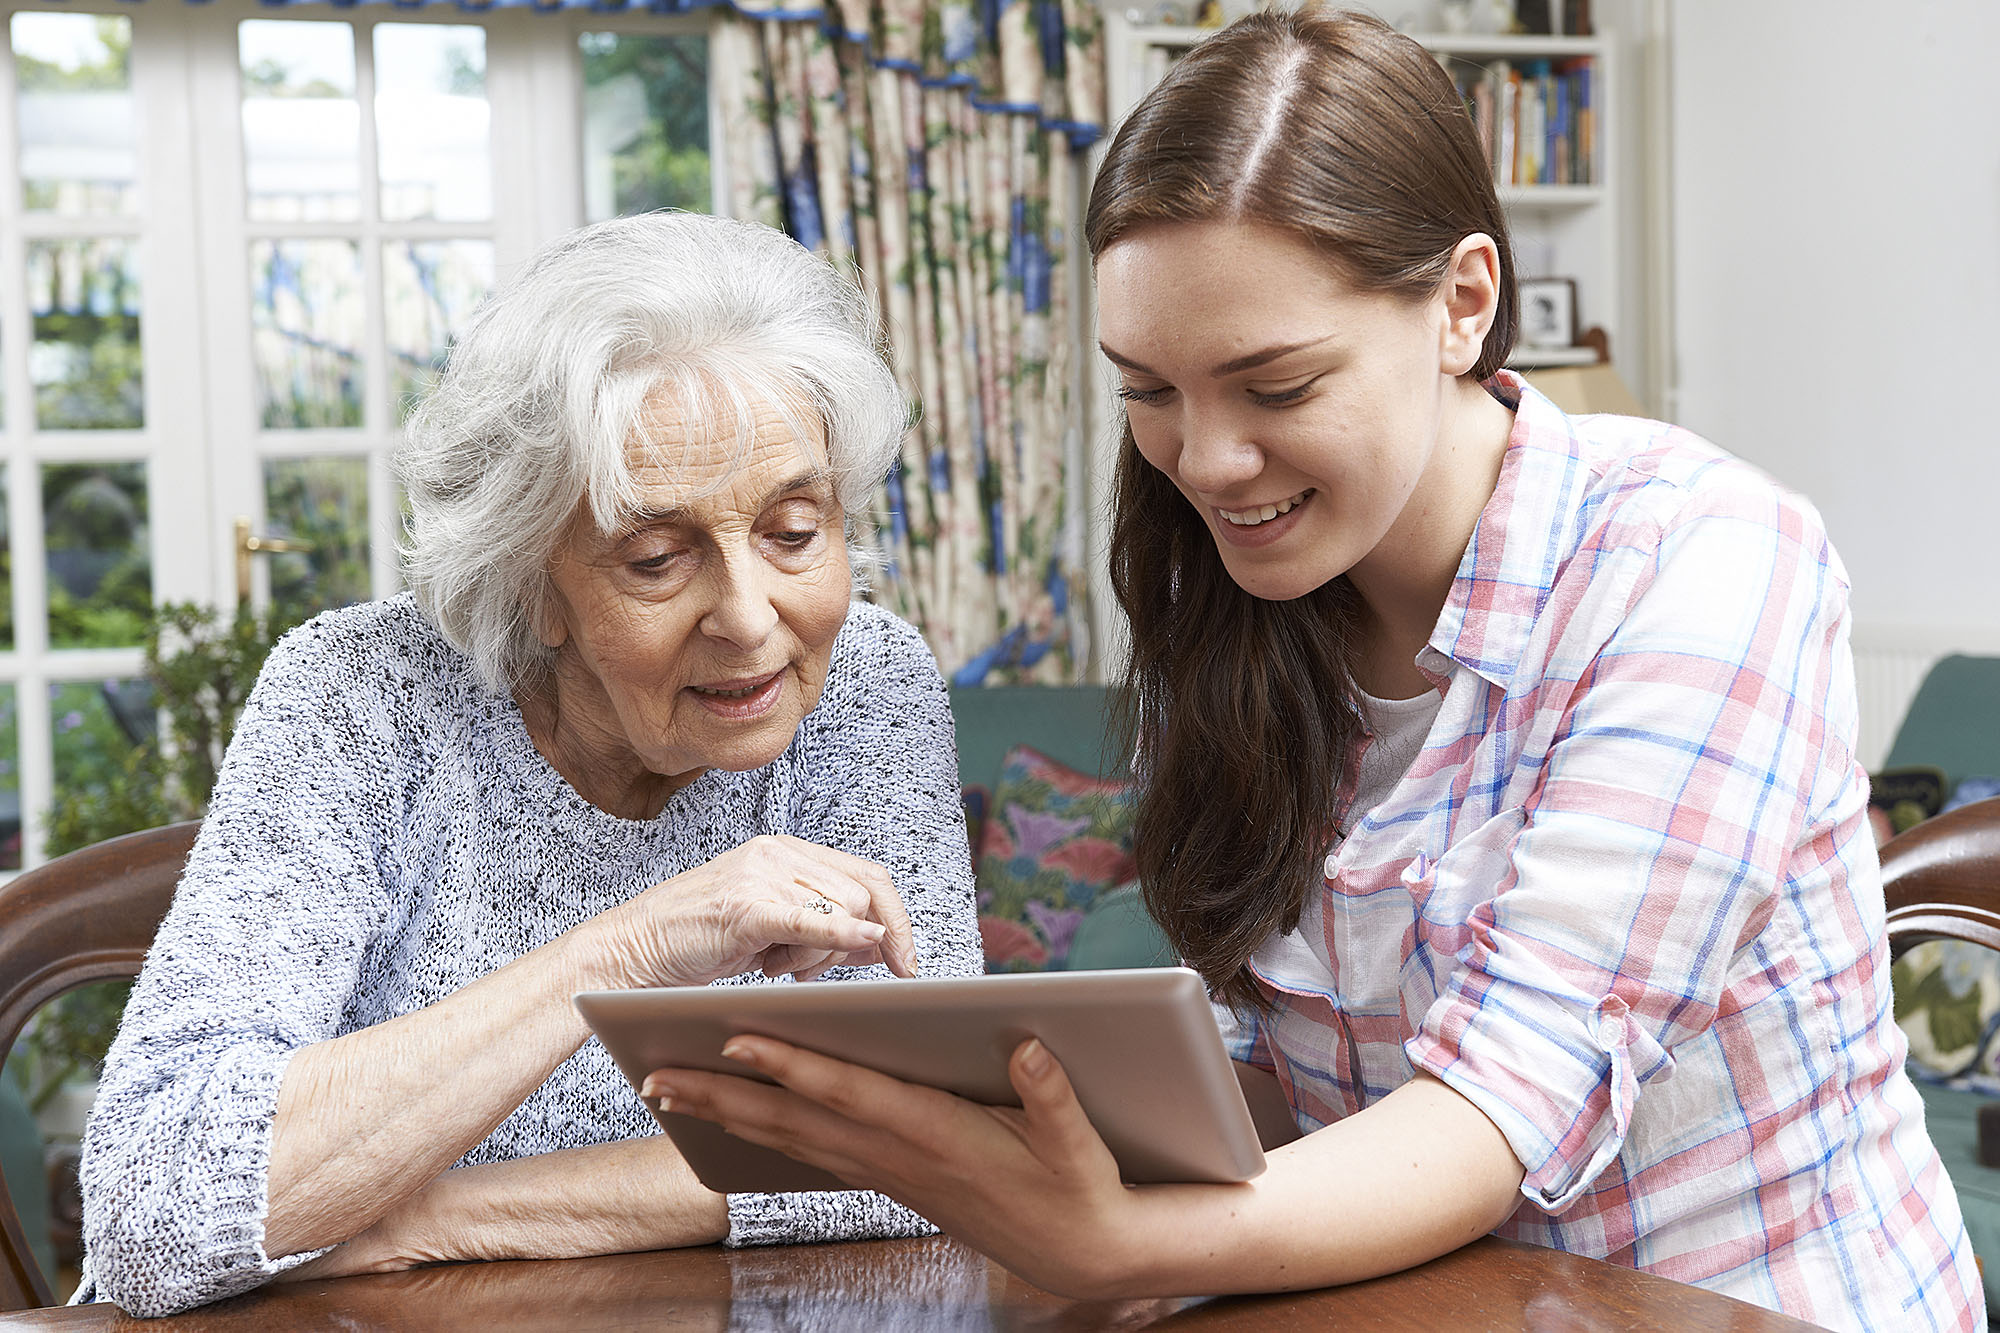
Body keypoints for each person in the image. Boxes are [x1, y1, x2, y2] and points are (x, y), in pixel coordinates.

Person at [643, 11, 1983, 1329]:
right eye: (1149, 390)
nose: (1207, 462)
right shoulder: (1234, 599)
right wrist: (1010, 1127)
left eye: (1276, 389)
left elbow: (1505, 1106)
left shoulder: (1702, 562)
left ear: (1463, 304)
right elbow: (1277, 1076)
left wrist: (1124, 1237)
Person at [73, 213, 983, 1318]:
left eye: (795, 531)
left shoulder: (863, 683)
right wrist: (636, 943)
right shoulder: (361, 697)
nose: (750, 619)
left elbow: (932, 1143)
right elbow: (153, 1210)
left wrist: (422, 1217)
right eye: (655, 558)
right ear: (528, 586)